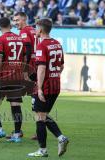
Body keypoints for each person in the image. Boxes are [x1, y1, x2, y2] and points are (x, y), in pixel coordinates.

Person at [27, 18, 69, 157]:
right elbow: (61, 66)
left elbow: (42, 69)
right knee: (43, 115)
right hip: (56, 85)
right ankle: (60, 139)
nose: (34, 30)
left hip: (45, 87)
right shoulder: (57, 44)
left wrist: (39, 88)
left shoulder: (42, 46)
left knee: (40, 117)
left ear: (40, 29)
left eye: (36, 27)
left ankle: (44, 149)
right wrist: (55, 76)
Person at [0, 17, 26, 143]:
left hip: (4, 77)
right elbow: (25, 58)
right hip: (18, 76)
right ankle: (16, 134)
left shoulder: (0, 39)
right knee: (15, 104)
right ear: (10, 26)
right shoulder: (20, 39)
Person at [14, 11, 39, 140]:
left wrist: (25, 69)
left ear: (24, 20)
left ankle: (17, 131)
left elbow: (28, 50)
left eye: (17, 20)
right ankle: (37, 131)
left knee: (15, 98)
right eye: (14, 20)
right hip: (38, 67)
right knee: (36, 98)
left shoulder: (24, 32)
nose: (15, 23)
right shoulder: (35, 30)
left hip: (31, 69)